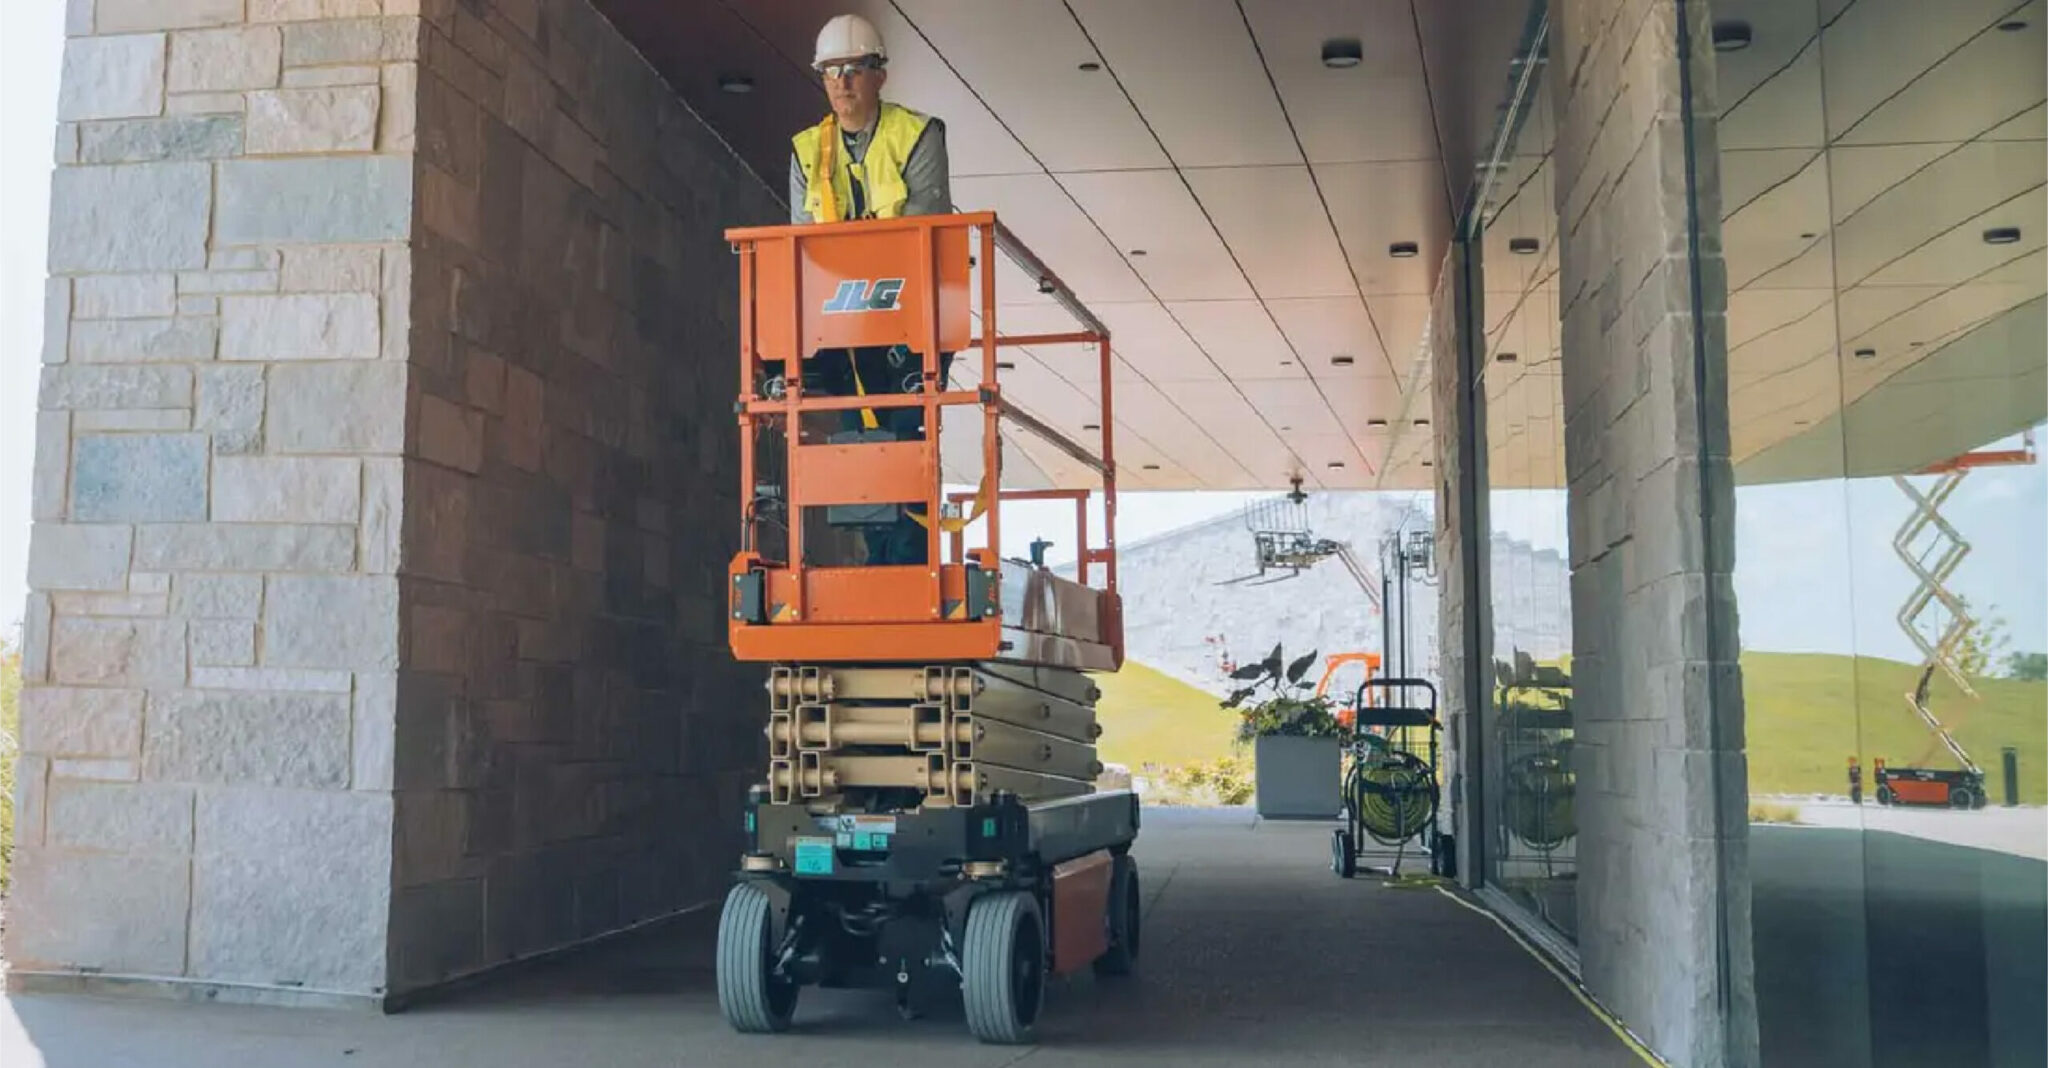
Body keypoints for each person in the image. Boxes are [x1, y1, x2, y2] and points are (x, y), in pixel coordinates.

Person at [789, 14, 954, 566]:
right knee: (858, 443)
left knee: (908, 438)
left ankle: (908, 566)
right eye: (831, 71)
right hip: (844, 319)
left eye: (854, 69)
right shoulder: (808, 149)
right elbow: (803, 246)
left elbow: (922, 235)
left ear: (879, 74)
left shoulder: (917, 135)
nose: (842, 83)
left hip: (910, 319)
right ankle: (879, 560)